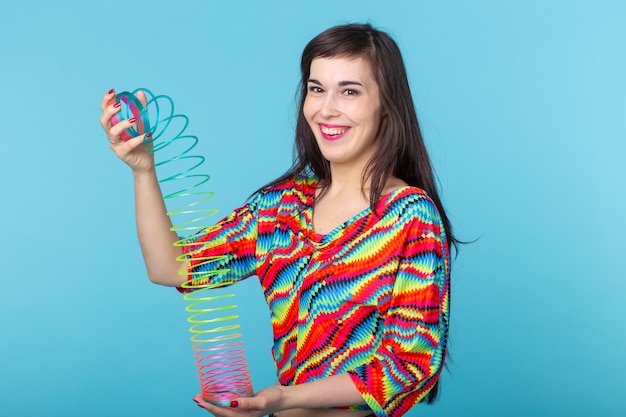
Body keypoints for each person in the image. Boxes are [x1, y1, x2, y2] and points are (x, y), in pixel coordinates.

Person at [99, 23, 458, 417]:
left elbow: (410, 366)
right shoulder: (281, 208)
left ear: (387, 104)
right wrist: (142, 170)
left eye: (349, 91)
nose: (326, 108)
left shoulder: (410, 216)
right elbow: (173, 267)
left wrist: (283, 397)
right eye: (316, 88)